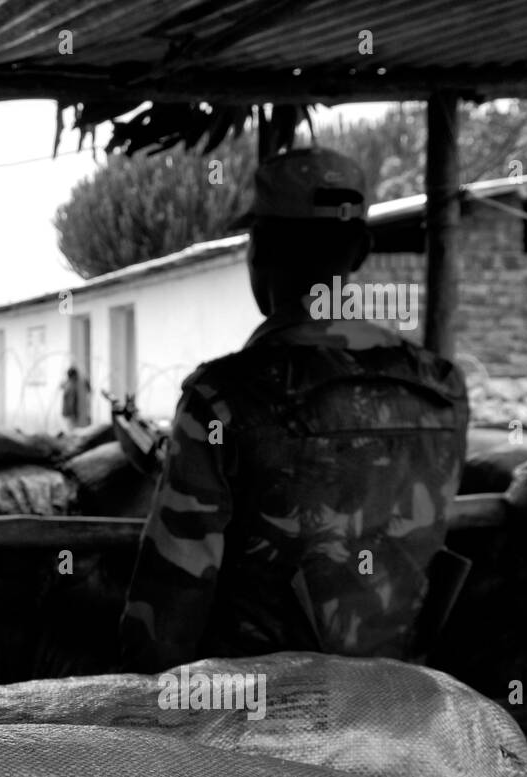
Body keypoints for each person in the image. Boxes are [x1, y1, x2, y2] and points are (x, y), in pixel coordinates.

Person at [118, 147, 469, 674]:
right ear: (361, 252)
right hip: (403, 703)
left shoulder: (223, 396)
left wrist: (134, 717)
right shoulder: (441, 388)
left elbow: (171, 598)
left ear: (257, 250)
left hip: (260, 721)